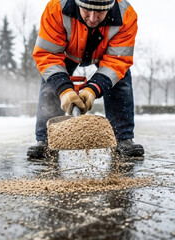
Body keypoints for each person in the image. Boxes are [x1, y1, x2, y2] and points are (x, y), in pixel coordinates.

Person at [27, 0, 144, 158]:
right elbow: (49, 56)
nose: (93, 18)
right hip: (65, 51)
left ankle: (123, 138)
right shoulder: (56, 9)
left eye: (100, 12)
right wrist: (64, 90)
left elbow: (117, 61)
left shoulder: (126, 15)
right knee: (50, 84)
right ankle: (45, 140)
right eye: (87, 10)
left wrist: (92, 90)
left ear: (110, 7)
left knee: (120, 81)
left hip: (107, 53)